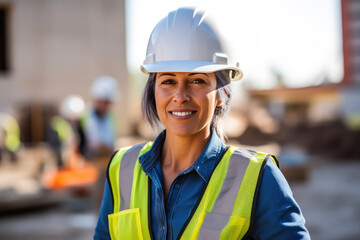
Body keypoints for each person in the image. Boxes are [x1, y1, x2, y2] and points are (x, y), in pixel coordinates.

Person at [94, 7, 310, 240]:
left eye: (197, 80)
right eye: (167, 81)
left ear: (221, 94)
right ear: (152, 91)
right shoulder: (121, 169)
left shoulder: (259, 178)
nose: (180, 96)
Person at [84, 75, 118, 162]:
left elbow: (111, 141)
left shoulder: (110, 117)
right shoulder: (88, 116)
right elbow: (95, 145)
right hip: (90, 161)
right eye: (105, 102)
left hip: (106, 159)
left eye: (109, 102)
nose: (107, 105)